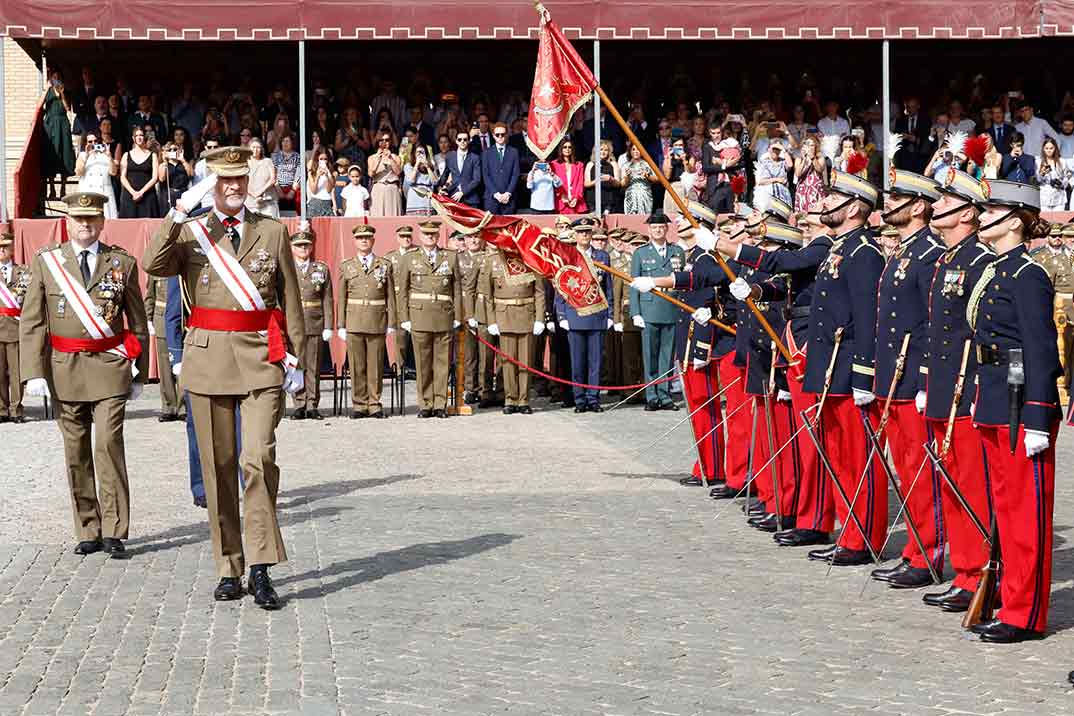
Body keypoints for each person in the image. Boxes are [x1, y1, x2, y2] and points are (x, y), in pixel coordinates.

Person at [142, 147, 307, 609]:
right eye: (223, 181)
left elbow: (290, 299)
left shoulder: (270, 231)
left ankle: (260, 567)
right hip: (208, 360)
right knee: (218, 470)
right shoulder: (192, 233)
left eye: (239, 180)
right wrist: (178, 209)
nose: (233, 188)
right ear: (209, 185)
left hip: (260, 360)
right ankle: (228, 566)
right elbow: (152, 264)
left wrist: (297, 361)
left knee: (257, 461)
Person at [20, 192, 149, 555]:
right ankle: (87, 528)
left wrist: (138, 375)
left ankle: (114, 527)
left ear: (102, 222)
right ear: (68, 222)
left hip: (109, 367)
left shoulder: (121, 262)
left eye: (92, 219)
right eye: (79, 219)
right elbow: (32, 322)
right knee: (75, 450)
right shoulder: (48, 262)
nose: (85, 225)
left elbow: (137, 322)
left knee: (108, 444)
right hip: (65, 368)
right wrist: (34, 372)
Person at [968, 180, 1060, 643]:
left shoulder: (1028, 275)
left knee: (1025, 514)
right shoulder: (997, 271)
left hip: (1021, 402)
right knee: (1004, 510)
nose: (980, 217)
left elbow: (1042, 350)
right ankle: (1007, 597)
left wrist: (1039, 416)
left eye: (991, 211)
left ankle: (1025, 613)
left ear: (1012, 221)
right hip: (993, 396)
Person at [863, 166, 947, 590]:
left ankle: (927, 552)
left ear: (918, 206)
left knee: (919, 471)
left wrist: (924, 381)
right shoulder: (905, 250)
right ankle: (916, 548)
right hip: (892, 377)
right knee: (905, 469)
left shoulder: (930, 251)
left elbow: (935, 323)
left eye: (896, 200)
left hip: (911, 378)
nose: (888, 205)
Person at [917, 167, 994, 613]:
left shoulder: (979, 261)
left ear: (967, 213)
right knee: (950, 483)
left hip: (967, 389)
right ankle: (964, 572)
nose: (936, 207)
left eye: (946, 203)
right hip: (942, 386)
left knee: (971, 486)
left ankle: (978, 573)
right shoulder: (945, 259)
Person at [397, 220, 463, 418]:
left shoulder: (450, 257)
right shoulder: (410, 258)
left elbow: (457, 289)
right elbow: (403, 290)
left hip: (444, 314)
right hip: (419, 315)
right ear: (420, 236)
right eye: (426, 234)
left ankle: (440, 404)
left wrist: (458, 316)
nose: (430, 237)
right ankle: (425, 403)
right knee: (423, 362)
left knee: (442, 363)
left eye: (433, 234)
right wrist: (404, 317)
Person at [477, 241, 544, 414]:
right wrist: (491, 321)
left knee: (525, 362)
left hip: (526, 315)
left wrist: (539, 319)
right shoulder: (493, 261)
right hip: (504, 316)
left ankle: (523, 399)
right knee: (507, 362)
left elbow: (539, 292)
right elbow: (488, 296)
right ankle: (510, 398)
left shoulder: (529, 259)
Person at [337, 224, 395, 419]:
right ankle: (359, 404)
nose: (364, 241)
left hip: (377, 319)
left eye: (367, 238)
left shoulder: (384, 264)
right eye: (360, 238)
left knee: (375, 365)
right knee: (357, 365)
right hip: (354, 321)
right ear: (354, 241)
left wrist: (391, 322)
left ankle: (374, 403)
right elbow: (341, 297)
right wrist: (341, 325)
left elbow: (390, 297)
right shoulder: (347, 266)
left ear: (373, 240)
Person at [555, 218, 613, 412]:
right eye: (581, 233)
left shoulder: (602, 256)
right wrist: (561, 315)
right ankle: (579, 399)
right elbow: (560, 288)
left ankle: (593, 399)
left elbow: (608, 287)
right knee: (577, 361)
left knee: (595, 362)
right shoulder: (567, 256)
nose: (585, 236)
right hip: (575, 314)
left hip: (597, 315)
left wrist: (610, 313)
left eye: (587, 232)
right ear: (575, 235)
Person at [630, 212, 684, 411]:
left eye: (661, 227)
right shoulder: (641, 253)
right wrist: (635, 312)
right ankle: (651, 395)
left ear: (667, 229)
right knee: (650, 355)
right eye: (654, 228)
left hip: (671, 307)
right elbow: (634, 283)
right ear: (649, 230)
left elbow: (683, 281)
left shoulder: (677, 252)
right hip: (649, 308)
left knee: (667, 355)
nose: (658, 230)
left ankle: (665, 394)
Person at [287, 229, 334, 420]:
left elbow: (328, 299)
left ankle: (312, 404)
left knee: (313, 365)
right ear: (292, 247)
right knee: (296, 365)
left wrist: (329, 325)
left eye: (306, 245)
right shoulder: (287, 268)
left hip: (315, 320)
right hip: (294, 322)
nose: (303, 248)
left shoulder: (320, 269)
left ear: (311, 246)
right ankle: (299, 404)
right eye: (299, 245)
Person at [1030, 225, 1074, 401]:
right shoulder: (1043, 257)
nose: (1057, 238)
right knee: (1061, 348)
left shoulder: (1068, 256)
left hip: (1070, 307)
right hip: (1057, 307)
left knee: (1070, 351)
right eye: (1054, 235)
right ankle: (1060, 385)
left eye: (1060, 236)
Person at [460, 234, 496, 408]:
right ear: (464, 240)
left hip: (487, 312)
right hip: (469, 311)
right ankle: (470, 388)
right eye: (470, 237)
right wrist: (469, 314)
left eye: (477, 237)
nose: (474, 241)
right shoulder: (458, 258)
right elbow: (468, 289)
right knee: (469, 354)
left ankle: (485, 389)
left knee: (486, 355)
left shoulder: (486, 258)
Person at [143, 276, 183, 422]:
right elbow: (150, 295)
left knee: (183, 366)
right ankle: (169, 407)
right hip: (162, 319)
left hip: (183, 321)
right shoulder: (157, 270)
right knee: (165, 368)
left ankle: (183, 407)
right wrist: (148, 318)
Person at [0, 232, 29, 423]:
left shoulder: (24, 272)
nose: (1, 250)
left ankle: (16, 409)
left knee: (17, 373)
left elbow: (29, 301)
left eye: (5, 247)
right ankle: (2, 410)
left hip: (15, 328)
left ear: (12, 249)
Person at [43, 72, 76, 200]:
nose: (56, 80)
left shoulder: (65, 91)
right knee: (52, 154)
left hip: (63, 124)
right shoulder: (48, 92)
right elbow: (40, 105)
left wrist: (62, 93)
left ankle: (63, 188)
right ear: (51, 79)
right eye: (54, 77)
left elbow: (68, 108)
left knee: (65, 153)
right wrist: (46, 89)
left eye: (58, 77)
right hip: (51, 124)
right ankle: (51, 189)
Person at [75, 133, 119, 219]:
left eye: (95, 141)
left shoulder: (105, 155)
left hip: (104, 192)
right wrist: (87, 156)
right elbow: (79, 172)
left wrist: (109, 157)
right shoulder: (82, 155)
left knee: (107, 219)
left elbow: (113, 172)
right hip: (88, 192)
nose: (93, 143)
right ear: (85, 143)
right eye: (90, 141)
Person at [119, 128, 161, 218]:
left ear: (144, 137)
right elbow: (122, 177)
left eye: (141, 135)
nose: (139, 138)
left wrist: (141, 192)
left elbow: (155, 177)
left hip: (148, 195)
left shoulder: (153, 155)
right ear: (133, 138)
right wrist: (133, 192)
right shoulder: (126, 155)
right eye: (136, 136)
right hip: (129, 195)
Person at [482, 122, 521, 215]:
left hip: (509, 199)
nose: (500, 136)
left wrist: (508, 193)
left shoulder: (513, 152)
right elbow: (485, 175)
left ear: (507, 135)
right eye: (497, 134)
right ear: (493, 136)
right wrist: (496, 194)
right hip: (491, 199)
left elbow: (515, 174)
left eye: (502, 134)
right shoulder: (486, 153)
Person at [437, 130, 483, 208]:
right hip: (453, 198)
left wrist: (462, 192)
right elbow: (445, 175)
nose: (462, 141)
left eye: (465, 139)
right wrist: (440, 187)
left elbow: (477, 180)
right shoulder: (450, 156)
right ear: (456, 141)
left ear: (469, 141)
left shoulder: (475, 157)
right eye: (459, 139)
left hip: (471, 199)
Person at [754, 139, 793, 213]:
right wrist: (777, 179)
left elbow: (790, 165)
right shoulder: (764, 162)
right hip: (768, 194)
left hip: (783, 195)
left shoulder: (783, 162)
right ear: (769, 149)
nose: (776, 151)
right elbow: (761, 181)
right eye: (774, 149)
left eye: (778, 149)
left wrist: (783, 150)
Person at [585, 140, 622, 215]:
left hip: (609, 199)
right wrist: (596, 181)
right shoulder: (590, 164)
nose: (603, 152)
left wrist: (611, 179)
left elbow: (618, 184)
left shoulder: (613, 164)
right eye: (601, 149)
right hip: (593, 199)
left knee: (608, 219)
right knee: (594, 220)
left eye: (606, 150)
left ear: (609, 152)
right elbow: (586, 183)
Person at [245, 138, 278, 218]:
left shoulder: (268, 161)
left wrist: (260, 191)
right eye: (253, 147)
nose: (255, 150)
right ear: (249, 148)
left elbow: (273, 179)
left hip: (267, 201)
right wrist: (253, 194)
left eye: (258, 147)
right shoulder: (245, 162)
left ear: (261, 149)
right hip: (250, 202)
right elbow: (242, 181)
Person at [403, 143, 439, 216]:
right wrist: (416, 164)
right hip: (414, 203)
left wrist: (427, 166)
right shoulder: (408, 166)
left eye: (422, 152)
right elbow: (410, 181)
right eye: (418, 152)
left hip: (428, 202)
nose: (420, 154)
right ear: (414, 154)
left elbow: (435, 182)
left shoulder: (431, 166)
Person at [1036, 137, 1072, 211]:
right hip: (1044, 198)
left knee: (1058, 221)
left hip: (1059, 197)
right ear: (1043, 149)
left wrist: (1061, 183)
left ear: (1055, 148)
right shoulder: (1038, 161)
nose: (1049, 151)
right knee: (1045, 221)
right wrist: (1042, 174)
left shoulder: (1062, 162)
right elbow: (1037, 180)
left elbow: (1067, 178)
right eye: (1047, 148)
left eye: (1051, 148)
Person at [552, 140, 587, 214]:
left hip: (576, 203)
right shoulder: (554, 164)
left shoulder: (579, 165)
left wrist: (576, 198)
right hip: (561, 203)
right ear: (561, 149)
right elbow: (553, 183)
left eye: (569, 147)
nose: (567, 149)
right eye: (565, 147)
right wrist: (561, 196)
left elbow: (580, 184)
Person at [622, 144, 656, 215]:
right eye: (633, 149)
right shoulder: (626, 165)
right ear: (630, 151)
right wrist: (627, 177)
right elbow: (623, 184)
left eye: (638, 149)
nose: (636, 151)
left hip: (645, 193)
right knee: (631, 217)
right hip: (631, 194)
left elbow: (657, 179)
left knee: (645, 216)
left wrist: (648, 176)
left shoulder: (648, 164)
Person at [271, 134, 302, 212]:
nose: (285, 143)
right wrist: (278, 189)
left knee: (299, 197)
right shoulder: (275, 156)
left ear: (292, 143)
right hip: (277, 186)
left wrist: (293, 190)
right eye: (283, 141)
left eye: (287, 141)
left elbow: (299, 174)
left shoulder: (297, 156)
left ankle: (299, 219)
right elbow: (273, 173)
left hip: (292, 186)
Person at [305, 151, 337, 218]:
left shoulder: (331, 173)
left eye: (325, 159)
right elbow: (314, 191)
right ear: (317, 160)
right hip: (315, 203)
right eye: (321, 159)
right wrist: (318, 176)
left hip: (327, 203)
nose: (323, 161)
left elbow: (329, 190)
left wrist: (327, 175)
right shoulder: (311, 173)